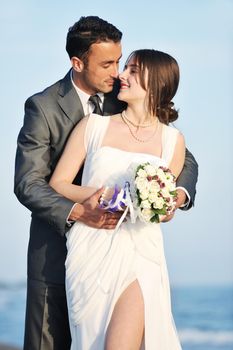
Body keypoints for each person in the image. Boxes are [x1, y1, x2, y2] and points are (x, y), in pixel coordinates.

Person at [14, 16, 197, 350]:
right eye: (109, 64)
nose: (117, 73)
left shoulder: (124, 97)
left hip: (136, 250)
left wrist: (173, 197)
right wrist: (83, 210)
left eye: (122, 62)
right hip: (61, 249)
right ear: (78, 62)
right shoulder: (43, 107)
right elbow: (29, 183)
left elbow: (181, 159)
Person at [49, 49, 192, 349]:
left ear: (157, 83)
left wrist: (164, 208)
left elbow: (167, 209)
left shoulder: (172, 141)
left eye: (133, 70)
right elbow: (59, 183)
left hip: (141, 251)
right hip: (91, 247)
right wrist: (99, 195)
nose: (121, 75)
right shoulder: (93, 127)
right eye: (125, 68)